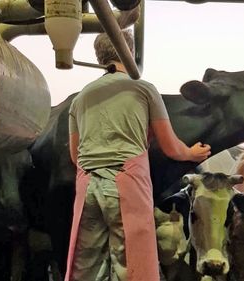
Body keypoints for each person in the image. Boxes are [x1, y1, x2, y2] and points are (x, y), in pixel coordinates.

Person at [65, 29, 211, 281]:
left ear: (99, 57)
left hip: (87, 186)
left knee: (86, 267)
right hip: (127, 185)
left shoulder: (80, 99)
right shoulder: (143, 88)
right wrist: (191, 153)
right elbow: (170, 147)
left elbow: (75, 156)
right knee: (131, 266)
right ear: (128, 51)